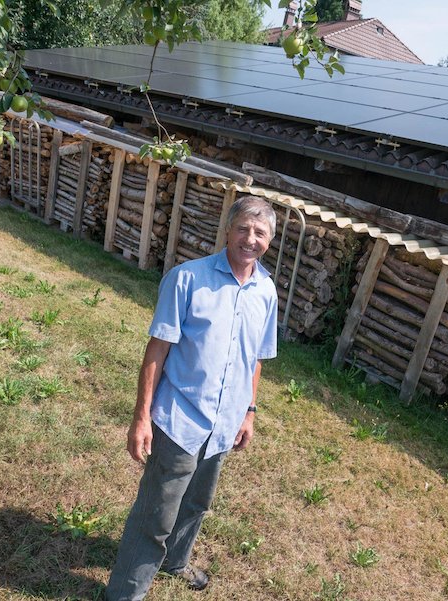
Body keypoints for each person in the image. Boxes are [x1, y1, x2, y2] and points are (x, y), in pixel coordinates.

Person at [105, 195, 278, 601]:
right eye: (243, 228)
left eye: (260, 232)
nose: (250, 239)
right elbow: (157, 349)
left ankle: (174, 561)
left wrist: (249, 412)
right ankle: (125, 593)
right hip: (180, 418)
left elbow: (255, 358)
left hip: (224, 424)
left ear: (269, 241)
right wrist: (141, 417)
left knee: (197, 502)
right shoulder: (187, 279)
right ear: (227, 230)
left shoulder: (266, 292)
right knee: (156, 514)